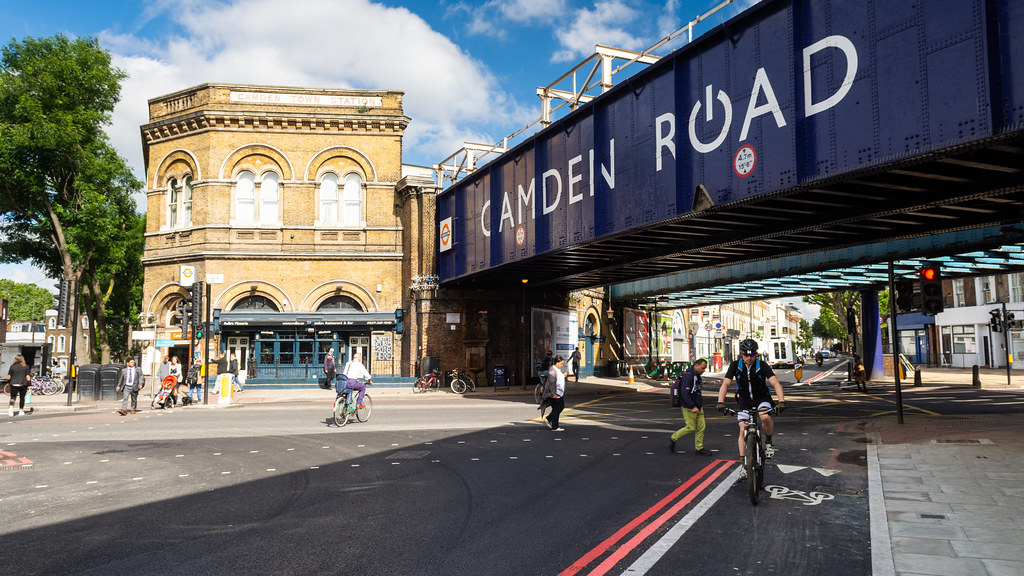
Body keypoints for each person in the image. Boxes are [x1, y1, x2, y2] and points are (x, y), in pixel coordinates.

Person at [716, 339, 786, 480]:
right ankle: (744, 467)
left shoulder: (762, 365)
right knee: (743, 429)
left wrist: (781, 401)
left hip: (762, 398)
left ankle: (768, 443)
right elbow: (725, 384)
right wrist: (720, 402)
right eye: (746, 355)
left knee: (765, 417)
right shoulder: (735, 366)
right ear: (742, 354)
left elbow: (776, 383)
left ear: (756, 354)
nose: (749, 358)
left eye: (752, 354)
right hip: (744, 400)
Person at [669, 358, 712, 455]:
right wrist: (692, 406)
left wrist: (698, 405)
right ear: (696, 365)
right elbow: (685, 394)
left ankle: (699, 448)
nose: (704, 370)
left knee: (701, 427)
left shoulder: (696, 376)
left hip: (698, 405)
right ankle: (674, 438)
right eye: (702, 368)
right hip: (689, 406)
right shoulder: (688, 377)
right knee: (691, 427)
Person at [542, 355, 566, 431]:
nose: (561, 365)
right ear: (557, 362)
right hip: (555, 393)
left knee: (559, 407)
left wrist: (563, 376)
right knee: (557, 408)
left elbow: (559, 378)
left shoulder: (556, 369)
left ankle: (549, 419)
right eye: (561, 364)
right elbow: (552, 384)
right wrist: (554, 394)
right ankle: (555, 426)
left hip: (559, 392)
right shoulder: (552, 370)